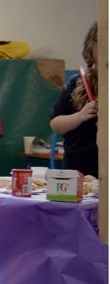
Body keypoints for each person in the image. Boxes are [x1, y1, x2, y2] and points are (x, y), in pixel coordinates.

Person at [49, 22, 99, 178]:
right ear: (91, 47)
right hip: (78, 168)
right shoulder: (77, 82)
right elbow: (56, 124)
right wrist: (80, 116)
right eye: (101, 42)